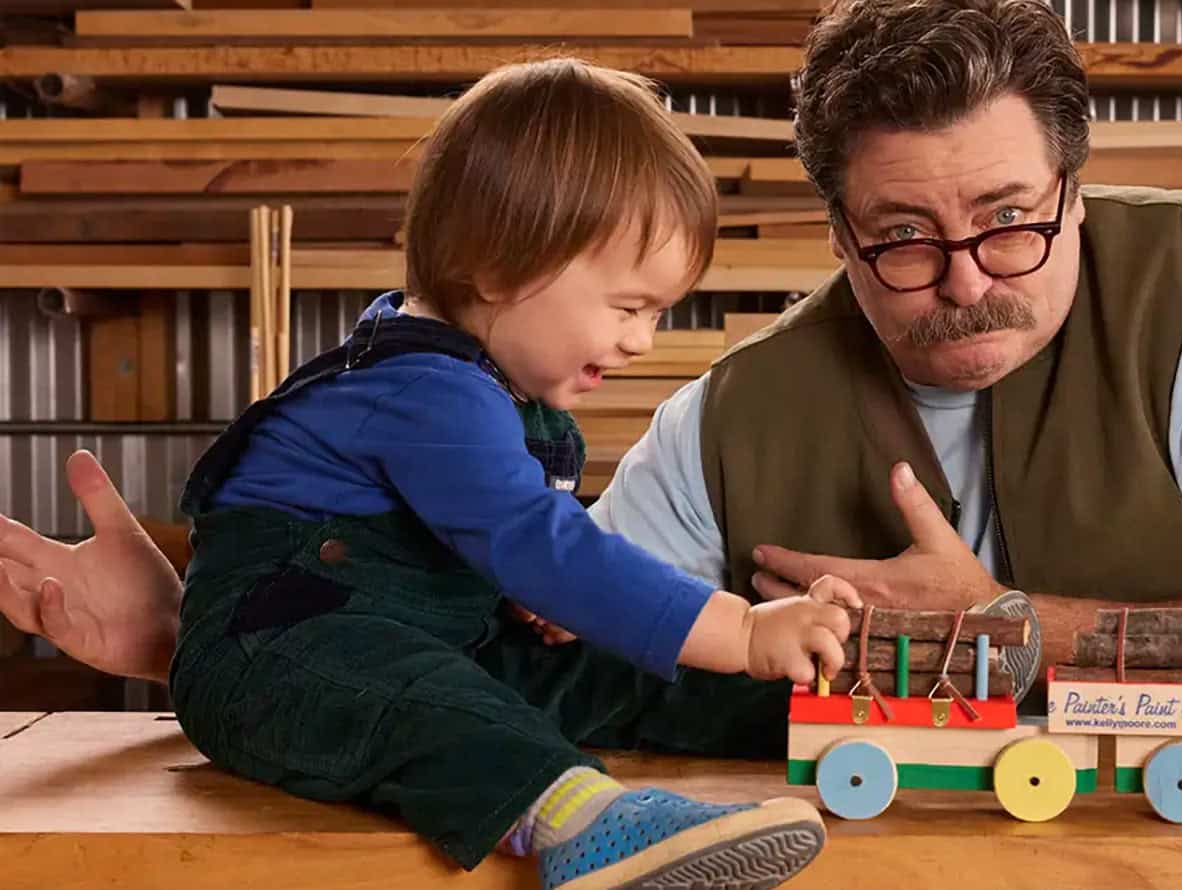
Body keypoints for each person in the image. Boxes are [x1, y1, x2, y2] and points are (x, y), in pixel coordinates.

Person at [2, 0, 1182, 790]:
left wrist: (1006, 626)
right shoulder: (723, 417)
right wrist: (205, 635)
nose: (968, 277)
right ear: (837, 234)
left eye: (1010, 218)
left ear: (1077, 191)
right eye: (903, 238)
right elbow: (523, 651)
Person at [9, 59, 879, 889]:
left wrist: (536, 607)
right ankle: (580, 823)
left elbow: (513, 555)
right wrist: (742, 630)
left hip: (429, 640)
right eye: (627, 307)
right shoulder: (427, 392)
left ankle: (804, 721)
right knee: (430, 701)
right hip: (278, 659)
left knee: (605, 669)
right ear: (500, 270)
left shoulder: (510, 401)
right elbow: (543, 545)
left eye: (657, 314)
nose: (641, 341)